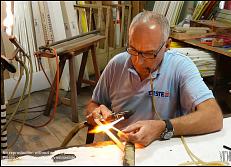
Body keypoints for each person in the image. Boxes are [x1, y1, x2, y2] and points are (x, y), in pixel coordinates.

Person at [86, 11, 223, 147]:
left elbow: (213, 117)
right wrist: (95, 114)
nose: (139, 61)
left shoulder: (180, 67)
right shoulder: (117, 64)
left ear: (167, 46)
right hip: (116, 148)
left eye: (149, 53)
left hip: (161, 151)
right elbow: (94, 103)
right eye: (133, 50)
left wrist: (162, 128)